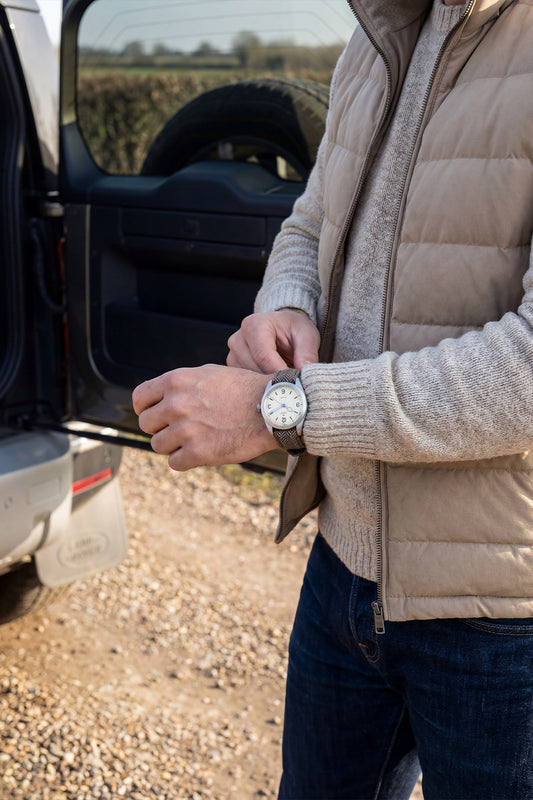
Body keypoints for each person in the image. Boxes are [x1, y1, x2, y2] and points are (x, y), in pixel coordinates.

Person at [132, 0, 533, 797]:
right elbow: (312, 221)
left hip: (501, 615)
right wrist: (284, 306)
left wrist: (274, 409)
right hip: (343, 572)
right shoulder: (380, 30)